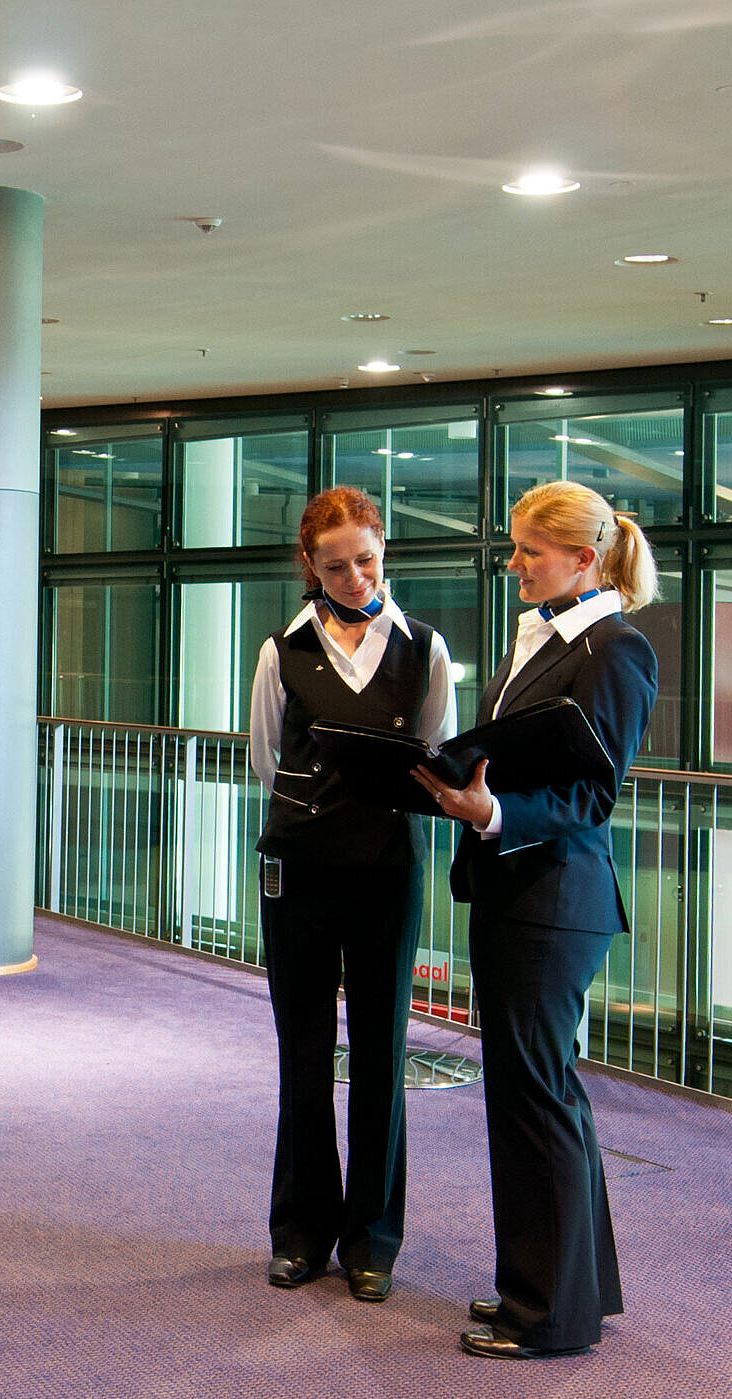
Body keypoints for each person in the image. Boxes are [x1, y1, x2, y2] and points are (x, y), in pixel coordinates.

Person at [412, 479, 660, 1358]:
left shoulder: (613, 649)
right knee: (534, 1093)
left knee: (537, 1098)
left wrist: (486, 813)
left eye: (528, 550)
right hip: (518, 892)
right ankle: (555, 1292)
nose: (512, 563)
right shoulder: (552, 637)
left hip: (554, 900)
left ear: (584, 558)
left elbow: (591, 795)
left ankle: (546, 1313)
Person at [249, 486, 458, 1301]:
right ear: (309, 564)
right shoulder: (282, 650)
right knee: (301, 1049)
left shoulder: (425, 649)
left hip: (385, 869)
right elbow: (266, 758)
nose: (353, 577)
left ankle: (372, 1237)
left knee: (380, 1049)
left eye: (365, 559)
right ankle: (300, 1231)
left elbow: (433, 750)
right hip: (297, 867)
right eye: (334, 565)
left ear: (383, 551)